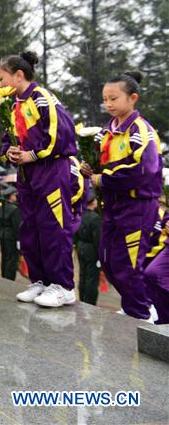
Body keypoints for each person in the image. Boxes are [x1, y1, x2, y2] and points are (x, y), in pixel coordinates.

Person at [0, 51, 78, 308]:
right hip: (27, 175)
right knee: (30, 228)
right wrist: (8, 151)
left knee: (53, 228)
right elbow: (9, 138)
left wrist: (32, 154)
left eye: (1, 79)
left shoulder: (43, 99)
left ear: (19, 75)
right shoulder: (14, 105)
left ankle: (63, 286)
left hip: (51, 171)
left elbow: (62, 135)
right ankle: (40, 280)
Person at [81, 71, 163, 320]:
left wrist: (103, 178)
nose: (108, 104)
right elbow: (100, 164)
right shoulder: (105, 131)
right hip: (113, 205)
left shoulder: (141, 130)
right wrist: (90, 170)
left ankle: (141, 312)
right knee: (107, 260)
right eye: (105, 99)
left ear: (133, 98)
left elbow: (143, 169)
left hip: (137, 206)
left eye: (114, 98)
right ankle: (135, 306)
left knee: (128, 264)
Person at [74, 192, 102, 305]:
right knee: (92, 278)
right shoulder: (95, 218)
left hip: (81, 246)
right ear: (93, 202)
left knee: (82, 275)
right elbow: (98, 238)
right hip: (91, 249)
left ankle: (82, 297)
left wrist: (76, 244)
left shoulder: (80, 214)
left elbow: (75, 231)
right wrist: (100, 256)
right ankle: (90, 301)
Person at [0, 186, 21, 281]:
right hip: (11, 236)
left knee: (5, 256)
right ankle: (9, 278)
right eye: (14, 195)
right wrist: (19, 239)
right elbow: (17, 226)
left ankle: (4, 276)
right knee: (11, 258)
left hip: (2, 235)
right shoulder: (15, 209)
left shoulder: (0, 208)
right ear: (11, 196)